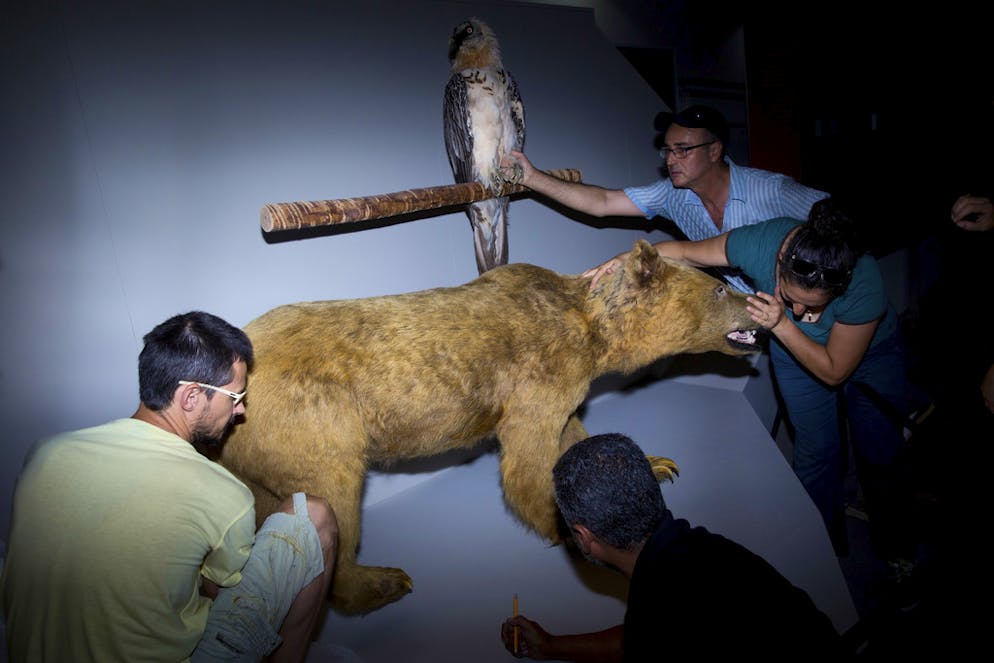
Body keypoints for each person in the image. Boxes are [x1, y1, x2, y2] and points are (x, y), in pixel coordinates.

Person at [584, 199, 920, 571]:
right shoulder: (758, 243)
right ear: (779, 265)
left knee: (880, 450)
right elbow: (679, 252)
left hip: (870, 358)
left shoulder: (864, 280)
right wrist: (622, 262)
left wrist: (781, 324)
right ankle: (823, 548)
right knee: (815, 453)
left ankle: (897, 550)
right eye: (788, 298)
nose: (799, 311)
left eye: (813, 306)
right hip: (794, 353)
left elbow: (833, 371)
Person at [1, 311, 339, 663]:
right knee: (313, 514)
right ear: (192, 397)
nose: (240, 412)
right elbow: (220, 597)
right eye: (235, 397)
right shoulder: (220, 491)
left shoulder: (44, 454)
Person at [499, 433, 843, 661]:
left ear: (585, 537)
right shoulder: (707, 551)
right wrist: (551, 646)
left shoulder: (662, 614)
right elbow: (640, 637)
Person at [500, 104, 828, 292]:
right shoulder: (672, 195)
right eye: (668, 150)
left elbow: (838, 219)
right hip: (758, 316)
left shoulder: (770, 189)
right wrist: (531, 177)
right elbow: (602, 202)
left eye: (683, 150)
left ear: (715, 150)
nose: (671, 160)